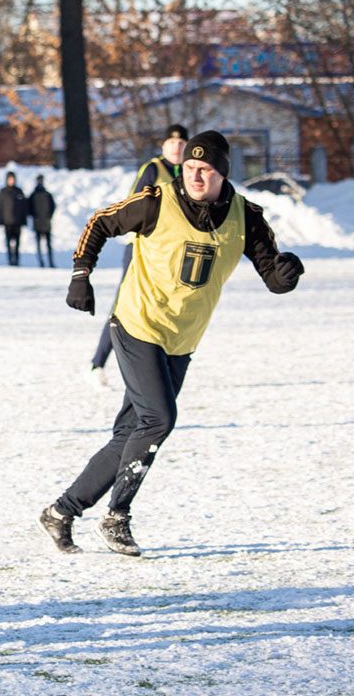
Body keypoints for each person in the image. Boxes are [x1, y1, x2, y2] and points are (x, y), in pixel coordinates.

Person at [39, 131, 305, 557]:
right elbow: (99, 223)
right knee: (159, 419)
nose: (196, 176)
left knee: (131, 433)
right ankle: (117, 516)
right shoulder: (155, 200)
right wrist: (80, 276)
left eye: (206, 169)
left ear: (222, 173)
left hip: (182, 339)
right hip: (137, 325)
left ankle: (61, 511)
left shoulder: (246, 216)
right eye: (191, 168)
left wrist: (287, 273)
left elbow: (273, 277)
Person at [89, 124, 189, 386]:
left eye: (181, 144)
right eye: (171, 143)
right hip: (141, 249)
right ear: (163, 146)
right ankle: (98, 363)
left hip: (170, 254)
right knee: (124, 306)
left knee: (165, 308)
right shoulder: (153, 169)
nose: (176, 148)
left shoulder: (190, 173)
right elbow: (135, 205)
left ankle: (159, 364)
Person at [0, 171, 27, 266]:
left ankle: (16, 260)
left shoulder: (19, 191)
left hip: (18, 222)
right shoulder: (3, 192)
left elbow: (24, 207)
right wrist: (0, 220)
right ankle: (10, 260)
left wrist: (24, 220)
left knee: (17, 243)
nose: (11, 181)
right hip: (7, 222)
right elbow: (0, 207)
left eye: (12, 179)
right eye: (9, 179)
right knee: (8, 243)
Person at [28, 174, 56, 268]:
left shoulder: (47, 194)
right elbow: (29, 208)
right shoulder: (33, 195)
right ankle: (41, 262)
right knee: (39, 245)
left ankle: (50, 262)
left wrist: (49, 216)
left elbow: (53, 206)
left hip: (46, 223)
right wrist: (34, 216)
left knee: (48, 245)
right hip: (37, 223)